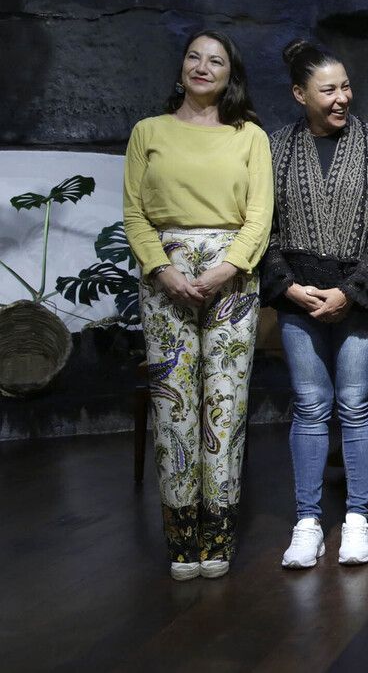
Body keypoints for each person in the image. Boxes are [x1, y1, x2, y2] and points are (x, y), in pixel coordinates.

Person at [122, 29, 272, 581]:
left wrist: (225, 268)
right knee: (173, 403)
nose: (203, 67)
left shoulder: (249, 136)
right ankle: (181, 536)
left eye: (216, 61)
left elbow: (259, 215)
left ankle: (220, 534)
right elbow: (135, 214)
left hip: (231, 276)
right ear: (180, 66)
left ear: (231, 75)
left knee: (225, 406)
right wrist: (163, 270)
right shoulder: (148, 132)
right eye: (194, 57)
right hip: (165, 273)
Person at [263, 39, 368, 569]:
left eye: (346, 87)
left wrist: (352, 289)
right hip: (298, 297)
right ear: (300, 94)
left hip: (360, 298)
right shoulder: (277, 148)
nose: (343, 97)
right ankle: (307, 521)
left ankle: (357, 519)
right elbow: (263, 224)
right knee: (309, 404)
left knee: (356, 402)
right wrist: (288, 287)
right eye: (329, 90)